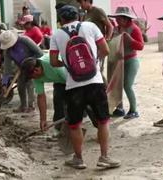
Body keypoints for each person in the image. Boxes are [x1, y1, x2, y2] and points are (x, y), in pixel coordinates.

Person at [50, 5, 120, 169]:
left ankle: (79, 159)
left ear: (61, 20)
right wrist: (93, 63)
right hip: (95, 82)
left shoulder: (57, 35)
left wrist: (69, 66)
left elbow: (53, 62)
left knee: (75, 124)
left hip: (73, 85)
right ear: (79, 16)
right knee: (103, 121)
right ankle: (104, 157)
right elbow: (106, 50)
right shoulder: (91, 26)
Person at [109, 7, 144, 119]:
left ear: (126, 19)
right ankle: (120, 108)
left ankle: (134, 110)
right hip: (118, 61)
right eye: (117, 18)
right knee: (117, 85)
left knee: (127, 85)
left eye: (119, 18)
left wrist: (131, 40)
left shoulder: (134, 29)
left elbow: (141, 46)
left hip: (131, 60)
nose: (117, 20)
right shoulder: (116, 29)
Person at [21, 54, 66, 133]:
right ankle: (60, 131)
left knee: (81, 103)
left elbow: (74, 83)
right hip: (59, 81)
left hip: (73, 77)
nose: (33, 79)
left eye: (32, 76)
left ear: (36, 70)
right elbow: (41, 96)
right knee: (58, 103)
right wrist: (43, 119)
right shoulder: (36, 77)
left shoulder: (53, 65)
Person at [0, 30, 43, 112]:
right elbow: (7, 69)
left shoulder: (24, 40)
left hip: (33, 64)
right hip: (22, 67)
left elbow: (39, 53)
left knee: (30, 84)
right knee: (20, 85)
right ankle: (23, 106)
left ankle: (31, 106)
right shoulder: (8, 51)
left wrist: (31, 62)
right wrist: (4, 84)